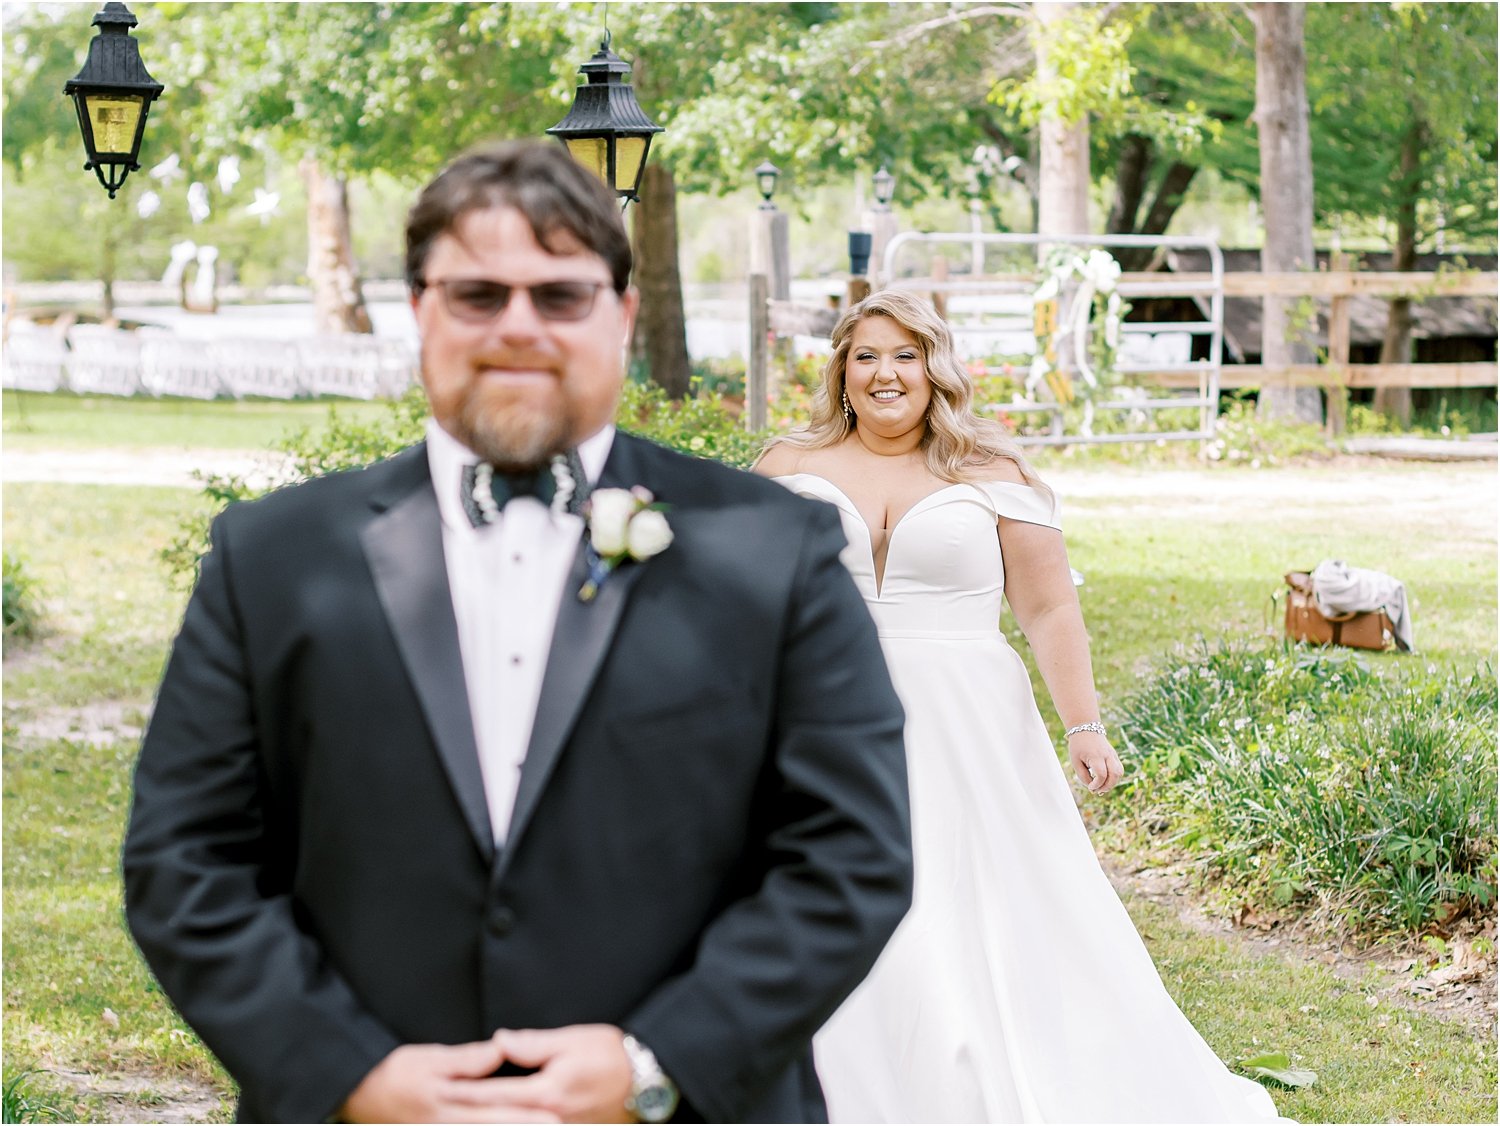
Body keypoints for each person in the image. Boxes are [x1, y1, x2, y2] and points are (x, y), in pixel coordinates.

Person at [122, 141, 913, 1125]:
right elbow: (183, 860)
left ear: (623, 315)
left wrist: (652, 1065)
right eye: (478, 295)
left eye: (561, 296)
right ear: (419, 310)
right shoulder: (271, 557)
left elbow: (853, 854)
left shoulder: (775, 548)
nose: (519, 328)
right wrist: (346, 1073)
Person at [755, 289, 1284, 1123]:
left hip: (966, 719)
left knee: (968, 897)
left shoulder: (992, 473)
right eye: (867, 355)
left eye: (905, 355)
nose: (885, 373)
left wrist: (1084, 724)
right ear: (841, 372)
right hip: (822, 710)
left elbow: (1047, 608)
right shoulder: (787, 467)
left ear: (936, 369)